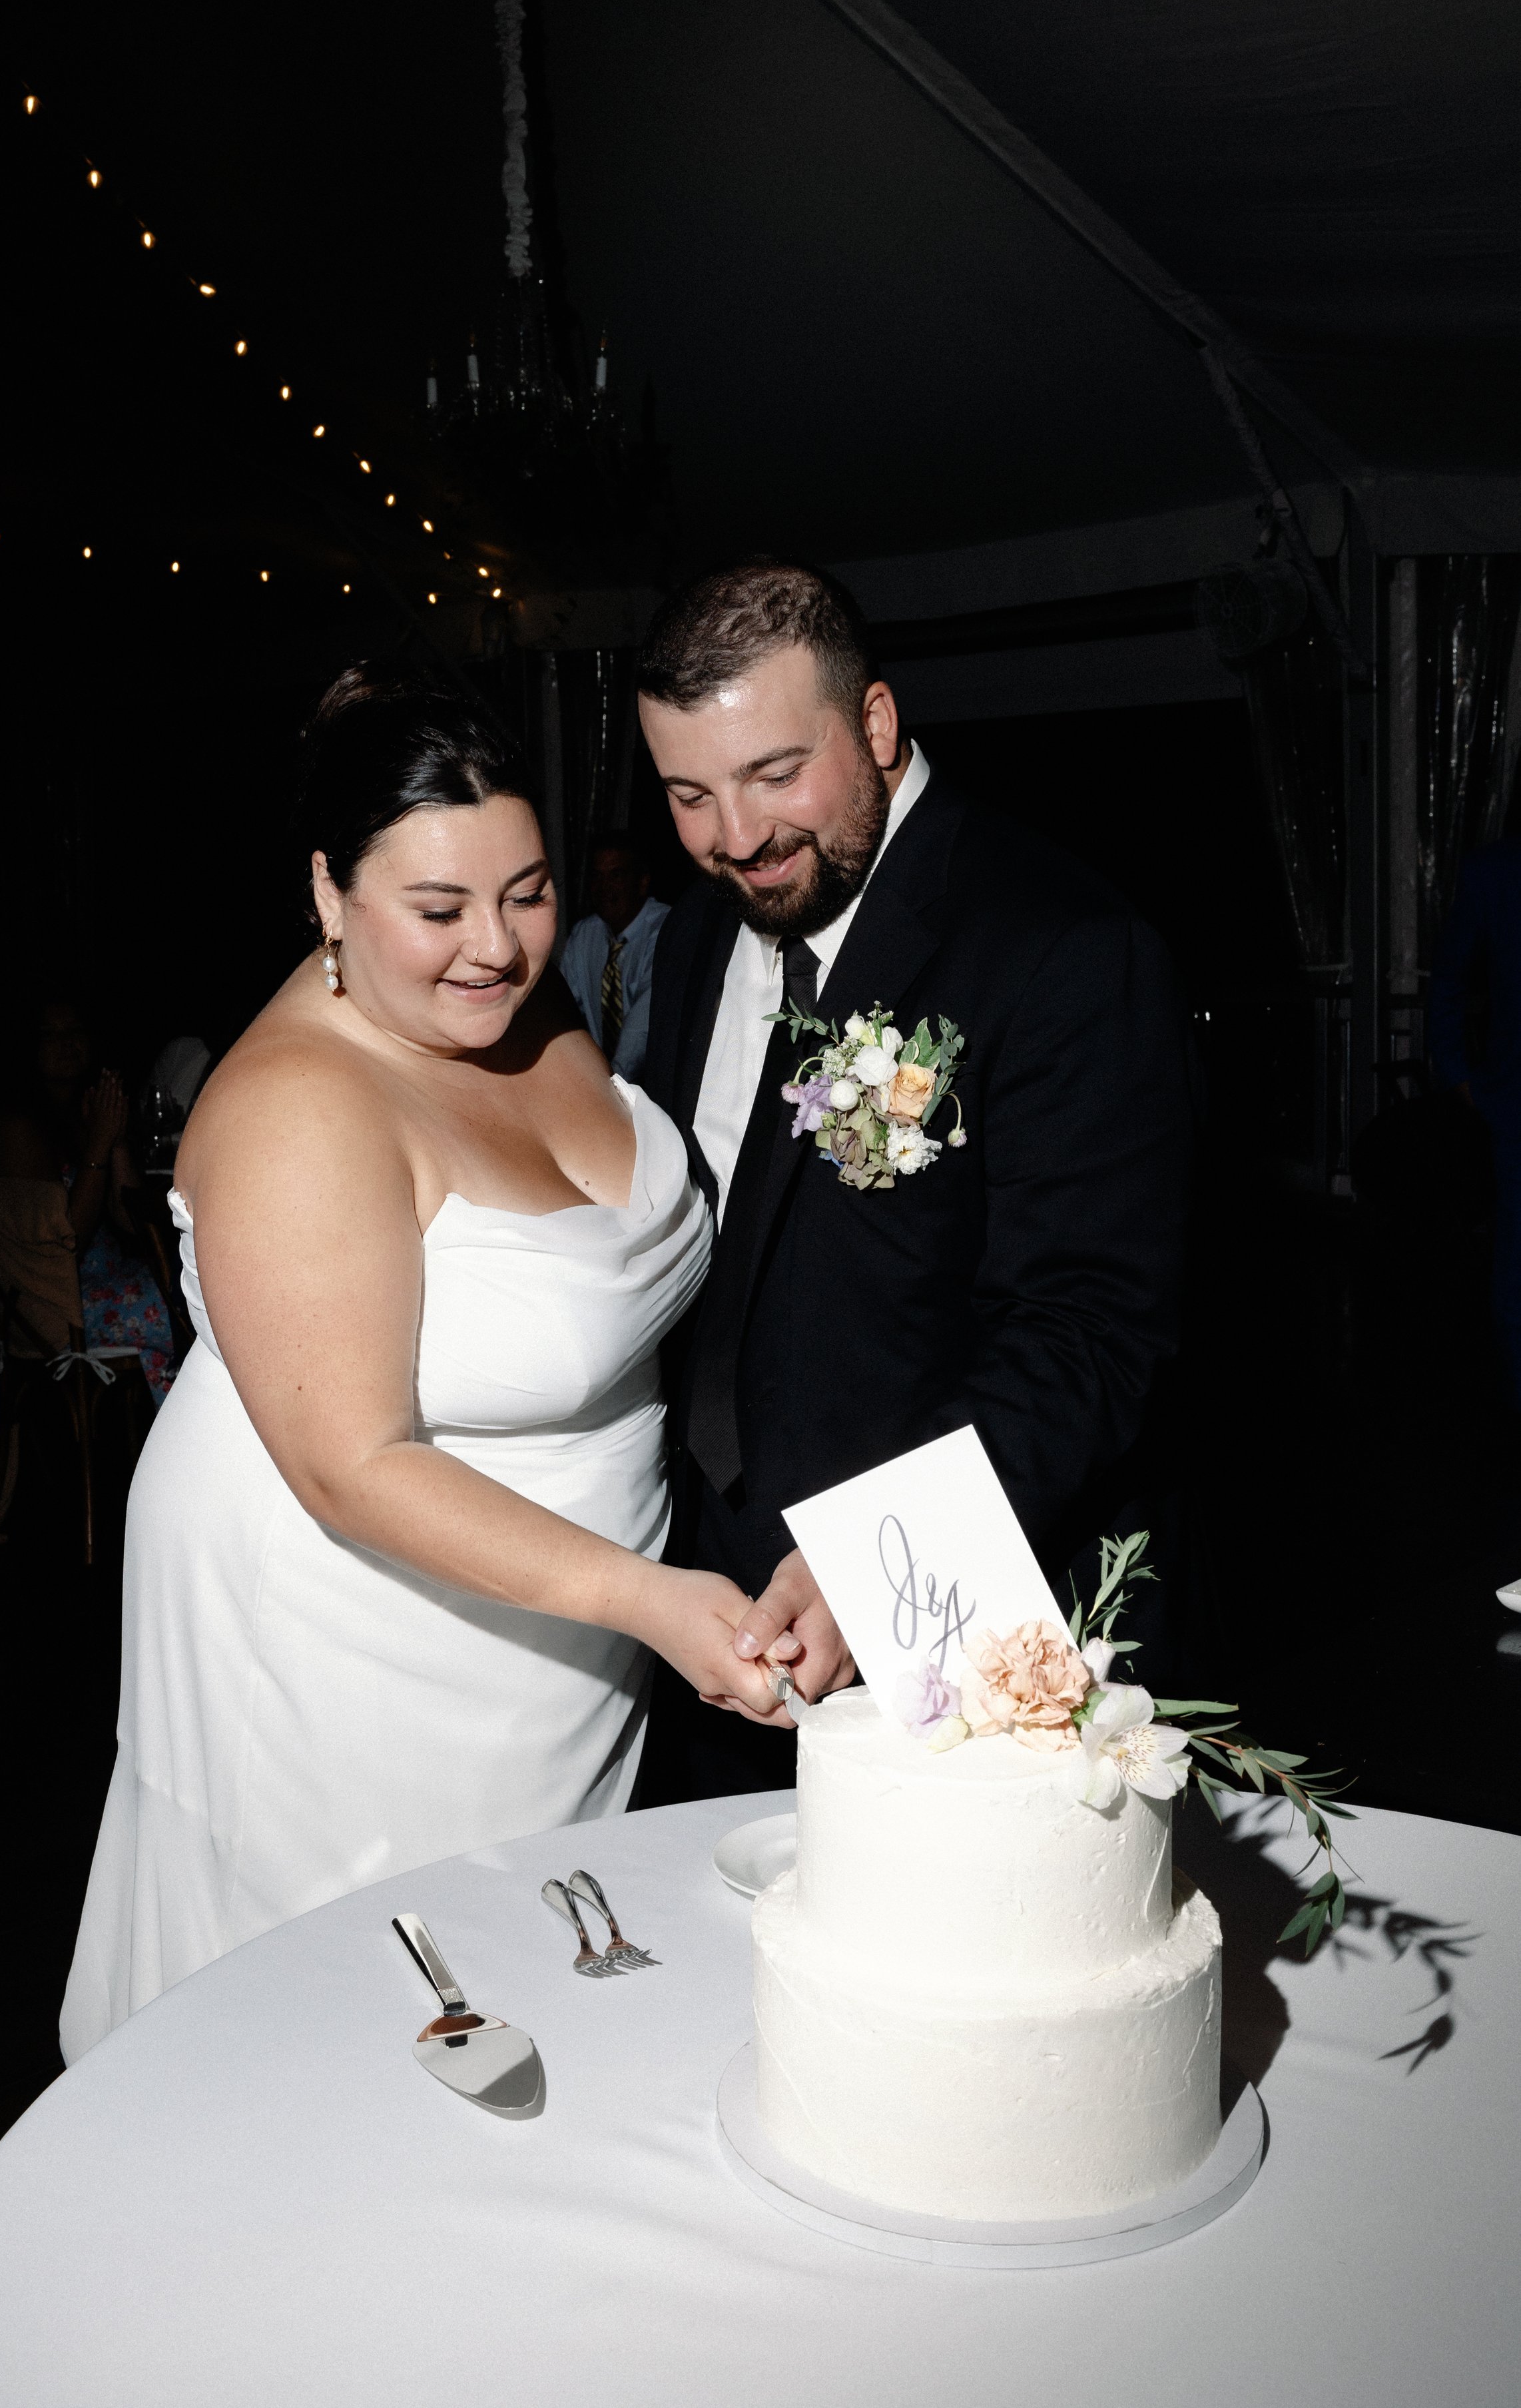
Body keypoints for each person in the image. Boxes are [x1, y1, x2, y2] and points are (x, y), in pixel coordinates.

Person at [60, 667, 850, 2062]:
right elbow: (352, 1463)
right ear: (326, 896)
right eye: (437, 911)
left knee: (539, 1995)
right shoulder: (297, 1105)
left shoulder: (523, 1010)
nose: (495, 948)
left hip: (560, 1636)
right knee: (352, 2035)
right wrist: (651, 1601)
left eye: (527, 892)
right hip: (352, 1641)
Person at [637, 562, 1192, 1798]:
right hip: (707, 1624)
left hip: (945, 1639)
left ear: (877, 726)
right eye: (689, 794)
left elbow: (1090, 1338)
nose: (736, 838)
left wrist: (872, 1561)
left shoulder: (1063, 946)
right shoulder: (692, 937)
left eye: (777, 775)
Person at [0, 999, 176, 1402]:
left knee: (190, 1280)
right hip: (47, 1305)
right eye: (50, 1034)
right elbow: (64, 1247)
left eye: (75, 1031)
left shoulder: (78, 1113)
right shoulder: (16, 1127)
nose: (66, 1044)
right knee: (182, 1301)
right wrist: (99, 1147)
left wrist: (115, 1140)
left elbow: (129, 1221)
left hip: (100, 1281)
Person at [1428, 835, 1521, 1430]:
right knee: (1515, 1261)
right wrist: (1460, 1075)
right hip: (1515, 1100)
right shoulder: (1496, 871)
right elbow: (1449, 977)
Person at [559, 828, 670, 1077]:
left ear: (642, 882)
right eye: (597, 877)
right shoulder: (585, 935)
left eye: (616, 875)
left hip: (655, 1083)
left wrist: (610, 1085)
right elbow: (561, 1009)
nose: (604, 887)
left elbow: (641, 1029)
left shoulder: (667, 931)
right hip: (603, 1079)